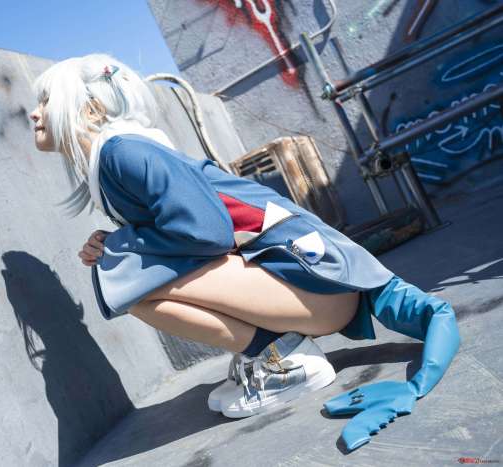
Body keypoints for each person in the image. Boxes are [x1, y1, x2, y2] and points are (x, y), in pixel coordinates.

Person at [28, 53, 461, 450]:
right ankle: (271, 353)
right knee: (124, 269)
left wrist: (120, 247)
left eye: (46, 100)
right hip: (312, 286)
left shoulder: (124, 152)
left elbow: (208, 231)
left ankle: (284, 361)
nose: (35, 112)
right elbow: (186, 230)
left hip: (324, 286)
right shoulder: (116, 158)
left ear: (89, 110)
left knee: (128, 281)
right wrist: (113, 239)